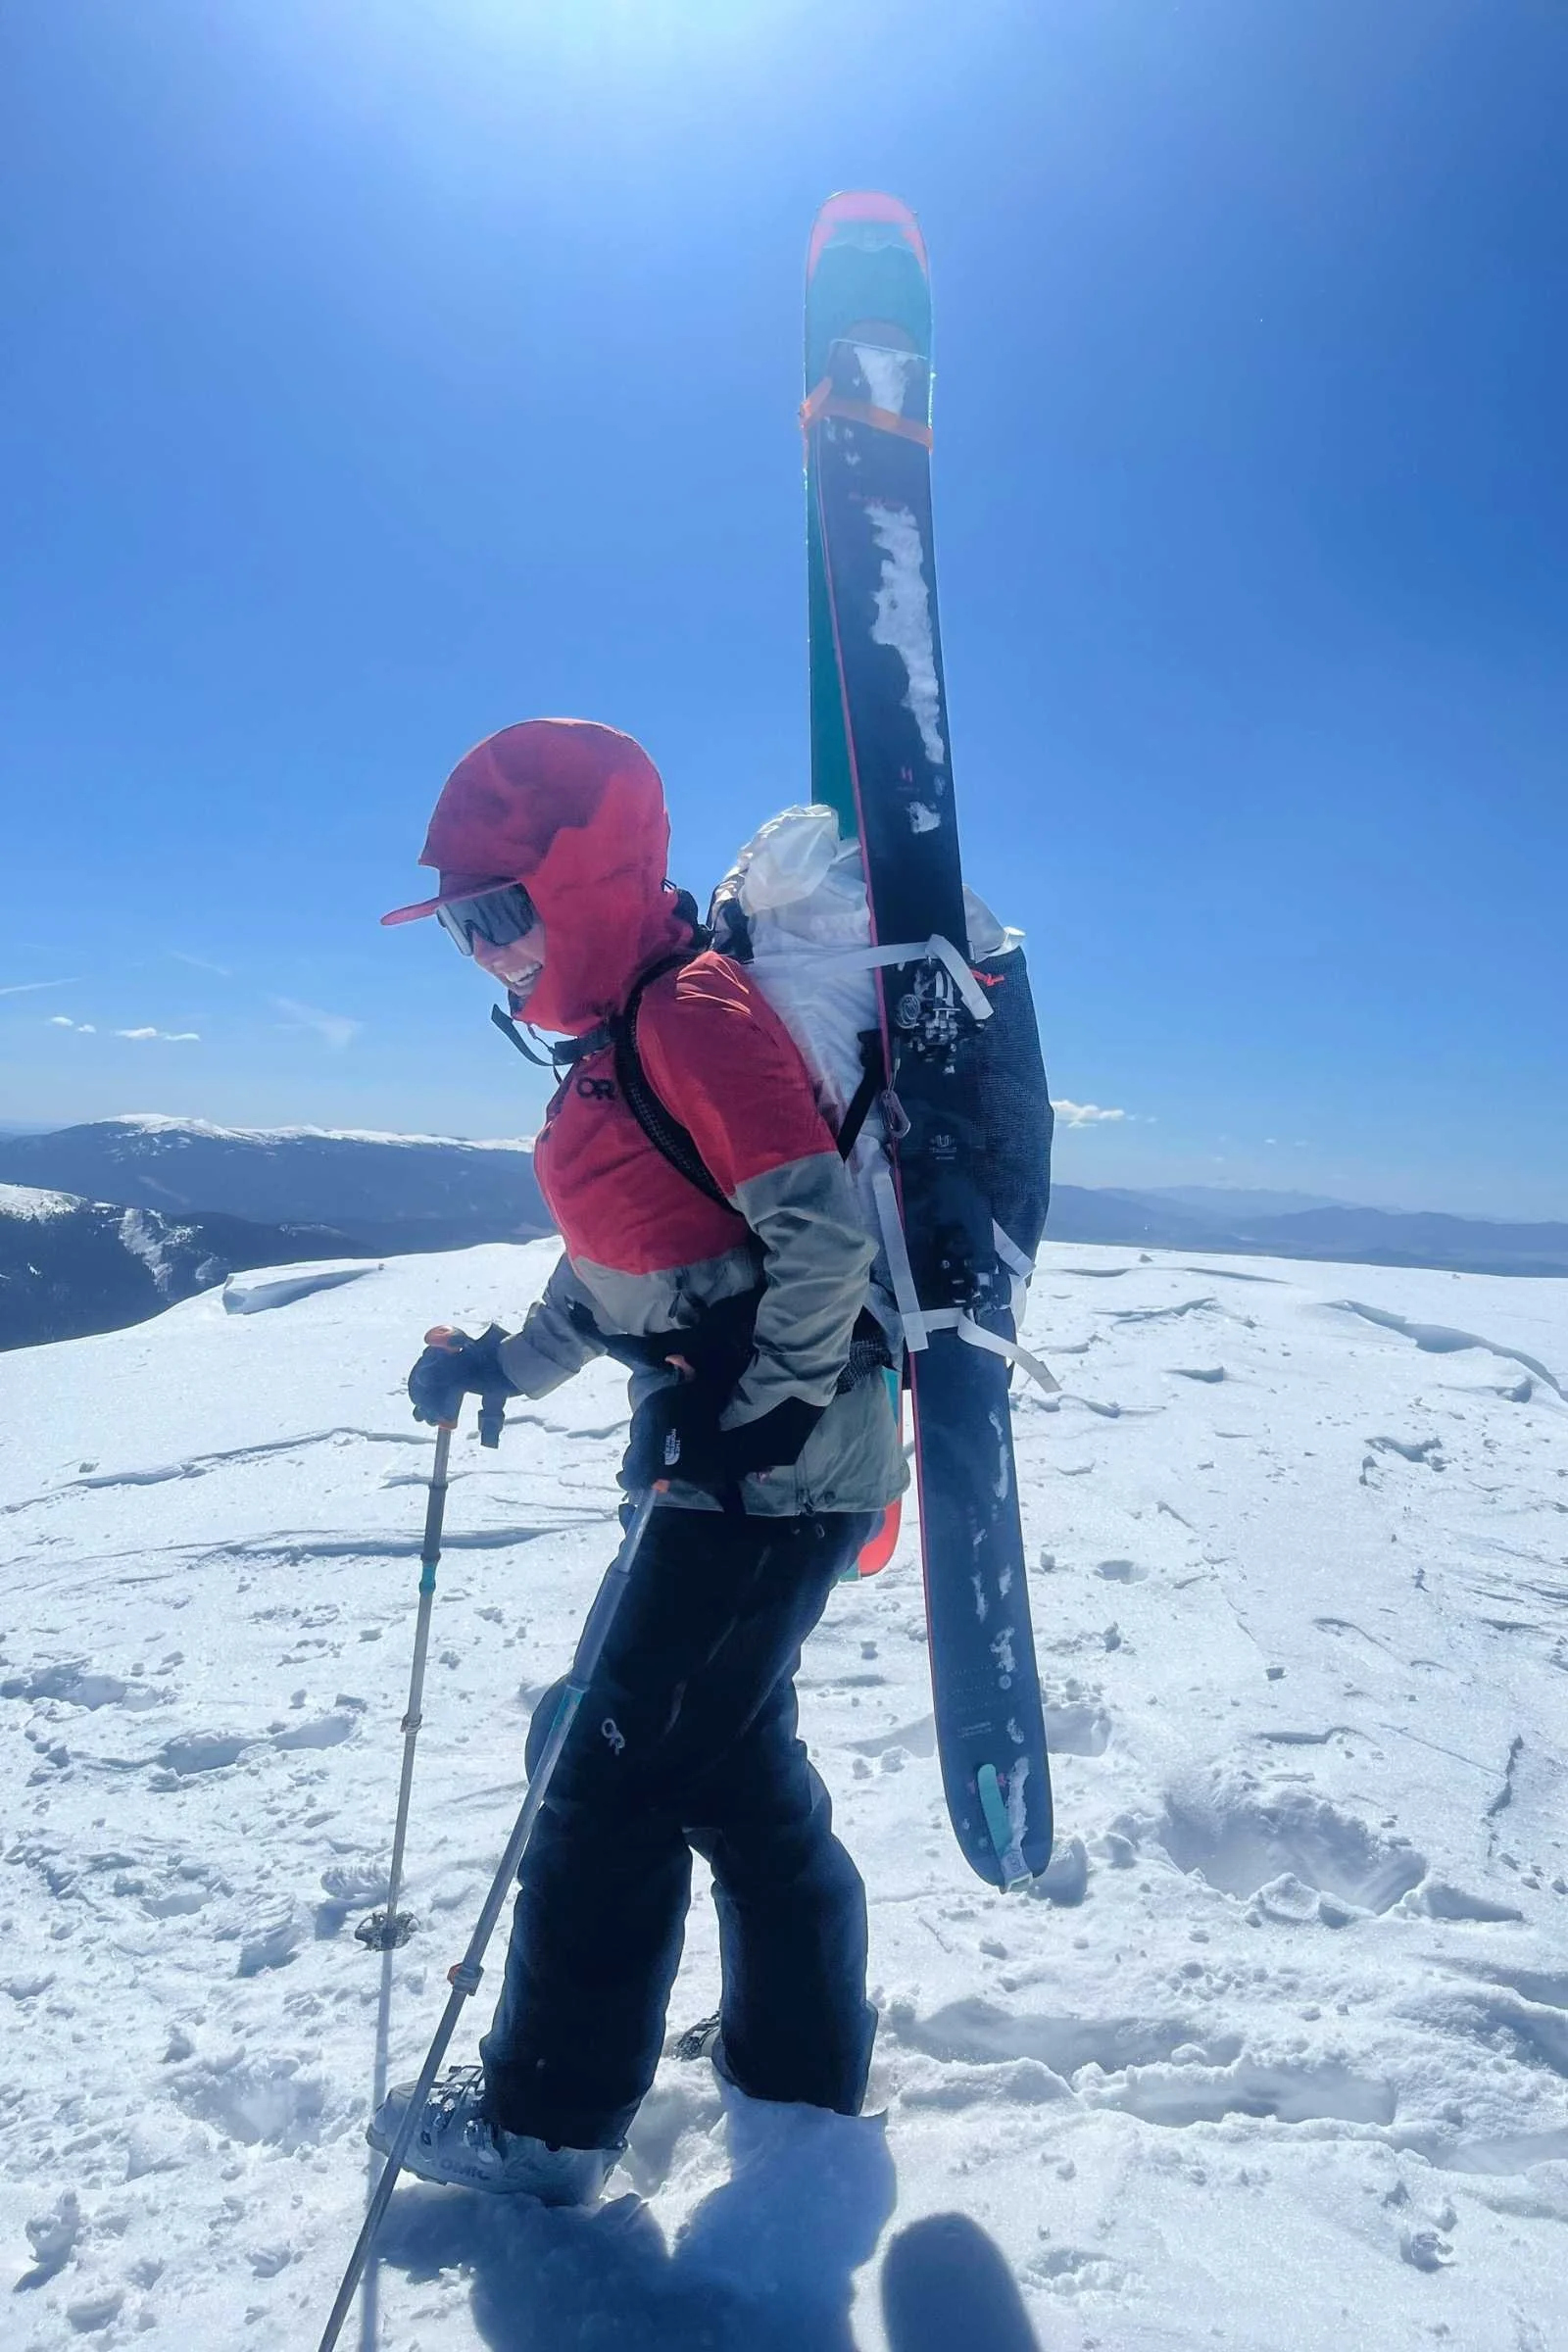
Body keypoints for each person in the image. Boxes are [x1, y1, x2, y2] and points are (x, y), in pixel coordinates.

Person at [370, 717, 906, 2202]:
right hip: (739, 1462)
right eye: (465, 928)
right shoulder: (618, 1044)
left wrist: (771, 1414)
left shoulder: (688, 1014)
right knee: (726, 1765)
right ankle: (799, 2063)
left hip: (765, 1475)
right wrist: (499, 1363)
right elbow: (612, 1269)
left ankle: (545, 2125)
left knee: (601, 1759)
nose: (484, 954)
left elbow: (822, 1237)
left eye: (498, 914)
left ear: (584, 885)